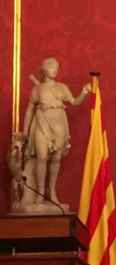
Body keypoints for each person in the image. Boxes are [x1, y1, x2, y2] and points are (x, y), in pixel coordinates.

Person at [21, 57, 90, 209]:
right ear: (45, 69)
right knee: (42, 157)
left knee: (56, 159)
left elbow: (74, 101)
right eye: (52, 66)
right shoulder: (37, 89)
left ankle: (51, 192)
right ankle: (40, 193)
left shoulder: (61, 87)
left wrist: (84, 92)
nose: (55, 69)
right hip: (41, 124)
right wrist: (25, 131)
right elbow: (29, 111)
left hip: (59, 125)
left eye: (57, 67)